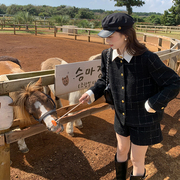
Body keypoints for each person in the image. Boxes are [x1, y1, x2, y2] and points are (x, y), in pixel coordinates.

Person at [79, 12, 180, 180]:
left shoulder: (147, 59)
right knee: (121, 150)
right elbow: (104, 79)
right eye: (105, 36)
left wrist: (154, 103)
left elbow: (174, 82)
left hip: (144, 119)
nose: (107, 41)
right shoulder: (106, 55)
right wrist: (91, 93)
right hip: (121, 115)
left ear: (126, 35)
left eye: (111, 36)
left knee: (137, 159)